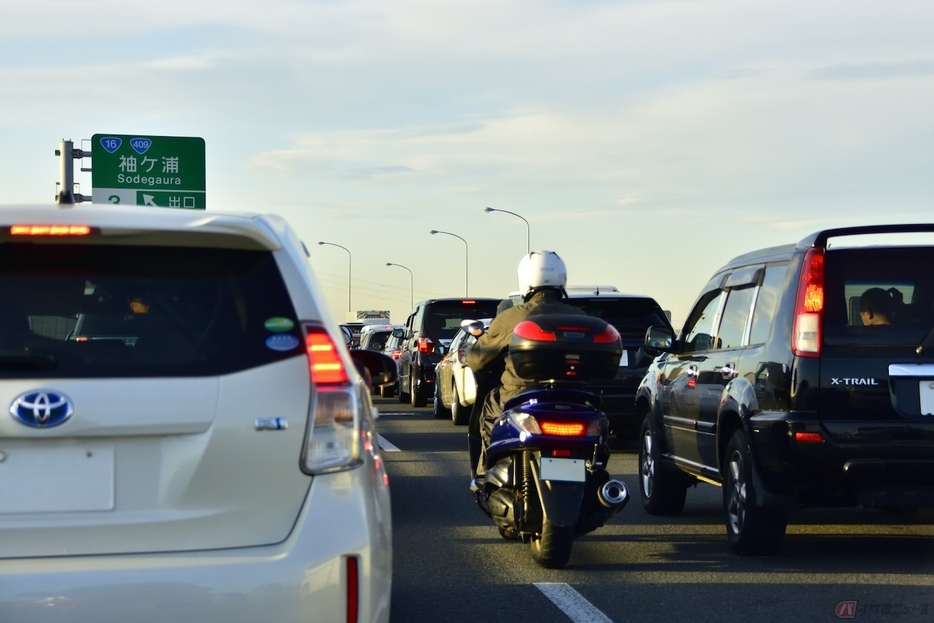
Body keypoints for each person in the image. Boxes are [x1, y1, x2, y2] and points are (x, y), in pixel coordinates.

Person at [465, 250, 587, 480]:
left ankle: (485, 473)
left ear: (525, 280)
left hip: (520, 396)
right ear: (562, 279)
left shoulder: (513, 316)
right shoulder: (579, 316)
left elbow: (478, 359)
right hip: (574, 397)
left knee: (490, 406)